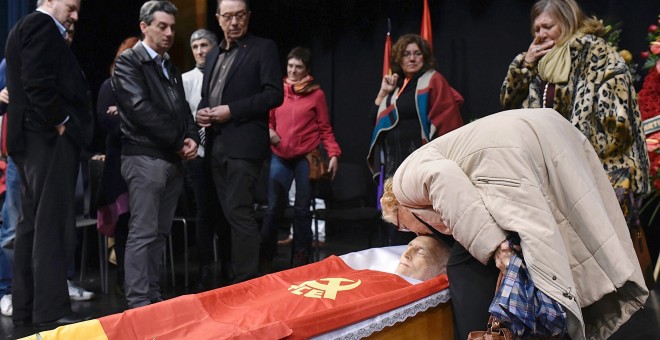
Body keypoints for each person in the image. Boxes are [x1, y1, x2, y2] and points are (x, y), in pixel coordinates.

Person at [380, 108, 649, 339]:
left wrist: (495, 245)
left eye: (402, 225)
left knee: (463, 266)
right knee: (555, 255)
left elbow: (444, 178)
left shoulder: (404, 184)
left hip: (521, 146)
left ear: (398, 206)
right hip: (551, 131)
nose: (410, 232)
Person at [500, 0, 650, 227]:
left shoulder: (597, 55)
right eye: (537, 29)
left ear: (567, 21)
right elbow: (507, 102)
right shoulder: (540, 64)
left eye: (548, 26)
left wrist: (577, 160)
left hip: (599, 175)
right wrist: (525, 64)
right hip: (556, 179)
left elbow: (617, 123)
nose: (540, 34)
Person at [5, 0, 94, 326]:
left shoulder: (26, 27)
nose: (75, 15)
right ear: (49, 1)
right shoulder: (42, 26)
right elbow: (38, 83)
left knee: (32, 226)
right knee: (51, 227)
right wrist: (62, 123)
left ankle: (28, 309)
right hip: (45, 140)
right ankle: (50, 310)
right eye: (70, 6)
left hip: (32, 140)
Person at [112, 0, 199, 308]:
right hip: (145, 157)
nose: (169, 32)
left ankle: (152, 297)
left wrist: (191, 136)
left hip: (171, 159)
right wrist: (180, 140)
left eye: (173, 27)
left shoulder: (169, 66)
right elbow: (140, 111)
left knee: (159, 234)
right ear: (144, 26)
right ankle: (138, 303)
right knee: (143, 232)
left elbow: (184, 110)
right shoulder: (128, 62)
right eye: (162, 26)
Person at [196, 0, 283, 283]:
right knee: (225, 214)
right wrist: (204, 110)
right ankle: (230, 276)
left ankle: (247, 280)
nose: (234, 22)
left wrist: (230, 110)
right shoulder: (212, 56)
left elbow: (274, 95)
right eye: (228, 16)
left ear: (248, 16)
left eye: (240, 15)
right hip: (215, 143)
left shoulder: (262, 48)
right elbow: (208, 95)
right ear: (218, 18)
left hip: (244, 144)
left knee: (239, 211)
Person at [366, 33, 464, 246]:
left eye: (417, 54)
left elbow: (448, 120)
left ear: (424, 57)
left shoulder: (432, 80)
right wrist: (383, 93)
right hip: (393, 165)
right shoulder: (398, 87)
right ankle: (400, 273)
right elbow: (374, 119)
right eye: (407, 54)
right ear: (399, 59)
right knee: (396, 225)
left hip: (418, 165)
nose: (412, 58)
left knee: (419, 224)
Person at [260, 47, 341, 269]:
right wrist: (269, 131)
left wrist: (333, 153)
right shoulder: (277, 91)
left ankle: (300, 262)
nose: (293, 71)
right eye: (290, 66)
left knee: (302, 209)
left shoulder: (317, 94)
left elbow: (325, 128)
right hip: (280, 155)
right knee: (274, 207)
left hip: (305, 156)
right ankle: (264, 258)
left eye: (298, 67)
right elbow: (266, 119)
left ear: (306, 70)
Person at [181, 28, 234, 289]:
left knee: (225, 210)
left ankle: (227, 262)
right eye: (195, 46)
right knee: (204, 213)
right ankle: (204, 267)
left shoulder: (224, 74)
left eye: (204, 45)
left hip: (222, 151)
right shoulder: (186, 79)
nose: (200, 51)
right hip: (198, 154)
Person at [96, 36, 140, 295]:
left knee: (143, 223)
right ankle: (124, 279)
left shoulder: (147, 87)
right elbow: (108, 125)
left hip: (146, 161)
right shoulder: (109, 86)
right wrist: (138, 121)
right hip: (119, 166)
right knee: (125, 223)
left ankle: (142, 277)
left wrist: (125, 115)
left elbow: (160, 119)